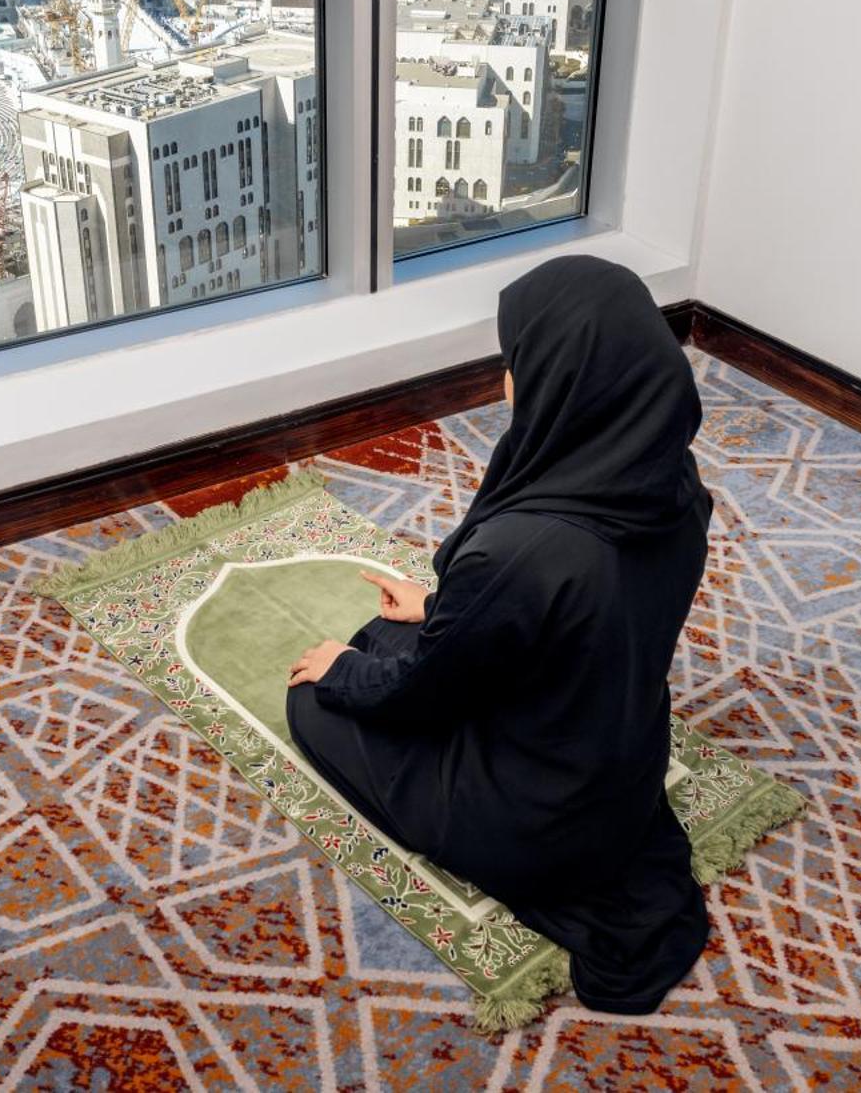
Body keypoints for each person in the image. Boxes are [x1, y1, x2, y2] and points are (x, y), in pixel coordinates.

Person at [284, 253, 715, 1015]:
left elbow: (422, 691)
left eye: (515, 360)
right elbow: (590, 617)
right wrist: (444, 605)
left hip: (536, 814)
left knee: (323, 696)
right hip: (620, 767)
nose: (504, 382)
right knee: (395, 632)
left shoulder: (522, 552)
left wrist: (343, 671)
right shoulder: (674, 487)